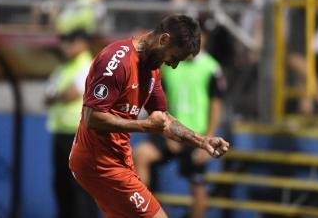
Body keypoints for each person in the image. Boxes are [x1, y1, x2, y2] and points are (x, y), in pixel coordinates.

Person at [69, 14, 230, 218]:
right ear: (163, 40)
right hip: (99, 162)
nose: (173, 65)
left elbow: (163, 119)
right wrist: (144, 126)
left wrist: (202, 140)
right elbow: (93, 117)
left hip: (117, 159)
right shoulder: (117, 60)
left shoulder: (152, 70)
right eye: (174, 57)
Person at [134, 27, 226, 218]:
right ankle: (143, 212)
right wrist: (166, 133)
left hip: (196, 135)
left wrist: (205, 140)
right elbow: (159, 102)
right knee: (141, 154)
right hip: (170, 131)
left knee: (199, 191)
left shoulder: (210, 67)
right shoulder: (170, 65)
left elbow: (216, 108)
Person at [45, 30, 99, 218]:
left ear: (83, 43)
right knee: (61, 184)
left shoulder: (88, 64)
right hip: (61, 133)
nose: (65, 46)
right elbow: (46, 97)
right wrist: (58, 95)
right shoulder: (64, 68)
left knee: (80, 185)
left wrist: (56, 96)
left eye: (71, 42)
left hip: (80, 135)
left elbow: (70, 94)